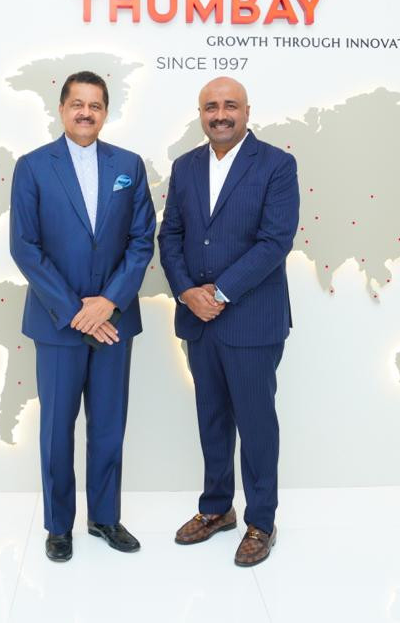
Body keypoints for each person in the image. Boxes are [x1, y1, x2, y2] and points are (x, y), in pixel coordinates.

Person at [9, 70, 156, 563]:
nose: (86, 112)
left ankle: (105, 518)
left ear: (106, 112)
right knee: (56, 429)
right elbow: (25, 248)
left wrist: (108, 302)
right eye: (77, 104)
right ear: (62, 109)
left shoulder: (128, 166)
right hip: (58, 323)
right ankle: (58, 526)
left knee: (109, 425)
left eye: (95, 105)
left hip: (114, 321)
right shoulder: (33, 167)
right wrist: (77, 311)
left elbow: (141, 241)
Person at [158, 76, 299, 567]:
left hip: (252, 321)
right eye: (211, 107)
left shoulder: (277, 165)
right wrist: (186, 291)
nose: (221, 114)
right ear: (201, 113)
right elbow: (170, 235)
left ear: (247, 111)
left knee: (256, 423)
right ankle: (217, 509)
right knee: (212, 418)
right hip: (198, 320)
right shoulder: (185, 167)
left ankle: (261, 521)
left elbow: (275, 240)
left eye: (230, 105)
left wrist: (218, 293)